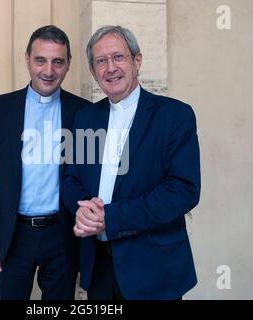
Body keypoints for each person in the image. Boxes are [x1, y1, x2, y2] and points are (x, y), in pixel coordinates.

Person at [63, 25, 201, 300]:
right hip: (99, 266)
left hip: (154, 268)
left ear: (137, 61)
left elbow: (183, 190)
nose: (110, 67)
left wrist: (110, 218)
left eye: (118, 57)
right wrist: (82, 210)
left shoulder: (175, 115)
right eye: (101, 61)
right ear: (93, 71)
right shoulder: (85, 119)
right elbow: (71, 179)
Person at [0, 25, 91, 300]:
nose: (48, 70)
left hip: (63, 235)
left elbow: (89, 178)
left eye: (57, 61)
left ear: (68, 64)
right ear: (27, 59)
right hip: (12, 237)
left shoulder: (83, 112)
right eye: (40, 60)